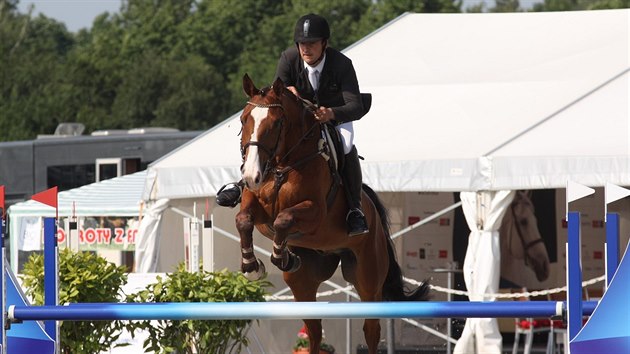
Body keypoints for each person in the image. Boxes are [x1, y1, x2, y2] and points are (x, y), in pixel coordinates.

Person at [216, 13, 369, 237]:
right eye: (302, 44)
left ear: (324, 44)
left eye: (312, 44)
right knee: (268, 137)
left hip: (335, 118)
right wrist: (288, 92)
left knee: (345, 144)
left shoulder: (341, 64)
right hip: (301, 122)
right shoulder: (289, 59)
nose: (306, 49)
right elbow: (276, 94)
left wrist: (332, 113)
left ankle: (355, 209)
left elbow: (355, 105)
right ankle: (243, 184)